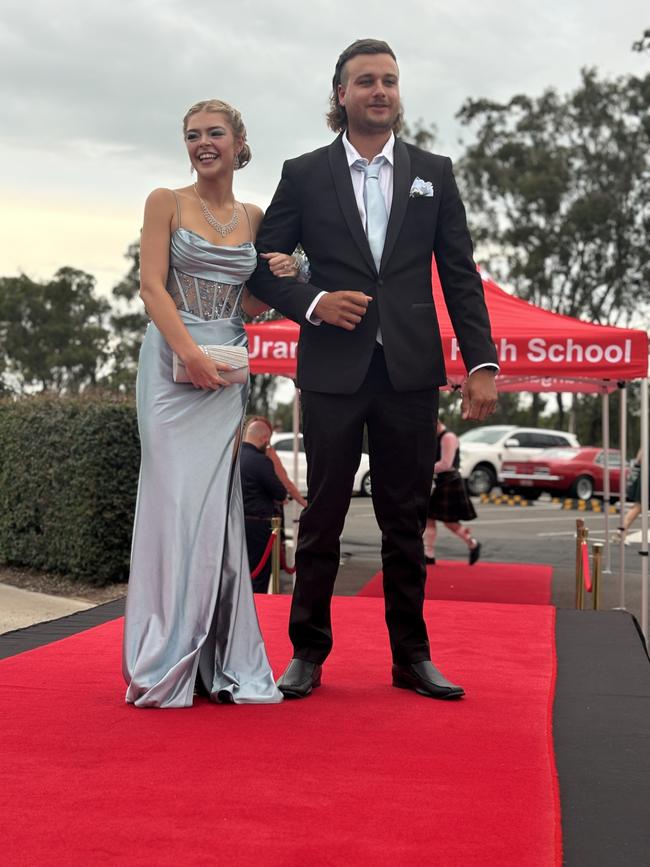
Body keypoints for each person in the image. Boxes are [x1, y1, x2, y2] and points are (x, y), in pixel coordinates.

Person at [248, 39, 498, 701]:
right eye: (366, 81)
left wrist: (481, 361)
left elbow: (461, 275)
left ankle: (411, 657)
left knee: (404, 519)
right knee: (323, 514)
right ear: (341, 94)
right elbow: (264, 259)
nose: (380, 91)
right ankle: (307, 653)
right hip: (332, 369)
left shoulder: (434, 173)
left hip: (412, 371)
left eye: (389, 80)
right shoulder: (304, 174)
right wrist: (314, 301)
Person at [122, 99, 297, 708]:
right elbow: (150, 285)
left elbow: (248, 305)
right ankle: (165, 651)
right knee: (173, 504)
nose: (203, 143)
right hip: (172, 371)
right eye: (192, 135)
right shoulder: (165, 201)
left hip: (226, 371)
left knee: (215, 511)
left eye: (214, 133)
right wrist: (189, 352)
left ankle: (216, 655)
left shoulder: (254, 215)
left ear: (238, 141)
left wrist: (290, 268)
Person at [423, 420, 481, 565]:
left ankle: (472, 543)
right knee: (429, 518)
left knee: (450, 522)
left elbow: (446, 464)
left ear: (435, 423)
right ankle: (428, 554)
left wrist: (422, 468)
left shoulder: (448, 437)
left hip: (449, 481)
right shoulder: (436, 436)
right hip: (439, 481)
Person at [240, 419, 288, 593]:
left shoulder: (232, 457)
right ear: (265, 439)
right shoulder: (260, 461)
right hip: (259, 525)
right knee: (258, 578)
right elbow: (280, 492)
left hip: (236, 523)